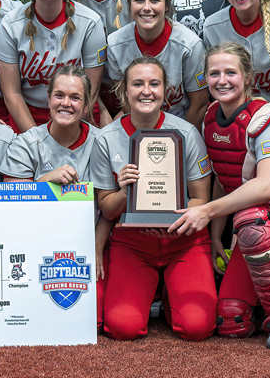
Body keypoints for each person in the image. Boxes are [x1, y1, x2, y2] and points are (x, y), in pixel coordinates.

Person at [171, 43, 270, 349]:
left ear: (248, 77)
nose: (222, 80)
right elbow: (226, 177)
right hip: (247, 228)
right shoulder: (210, 116)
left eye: (231, 72)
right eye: (214, 73)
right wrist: (216, 236)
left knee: (253, 221)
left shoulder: (265, 118)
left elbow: (266, 187)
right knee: (231, 321)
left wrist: (206, 212)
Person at [91, 56, 216, 341]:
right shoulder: (107, 139)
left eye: (154, 84)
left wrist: (176, 222)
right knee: (123, 328)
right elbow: (108, 209)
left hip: (183, 240)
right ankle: (153, 293)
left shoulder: (185, 133)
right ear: (124, 90)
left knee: (197, 327)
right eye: (137, 84)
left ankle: (172, 300)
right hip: (133, 242)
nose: (146, 91)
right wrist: (126, 191)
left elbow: (201, 200)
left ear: (165, 90)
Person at [0, 66, 111, 330]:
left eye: (75, 97)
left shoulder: (103, 141)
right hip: (34, 243)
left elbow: (110, 206)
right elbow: (9, 204)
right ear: (48, 100)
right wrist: (45, 181)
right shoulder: (26, 143)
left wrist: (95, 249)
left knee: (90, 319)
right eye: (59, 95)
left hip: (88, 243)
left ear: (86, 106)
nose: (66, 103)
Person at [0, 0, 108, 133]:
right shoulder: (11, 24)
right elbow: (12, 94)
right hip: (28, 115)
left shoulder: (89, 22)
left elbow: (91, 92)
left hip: (78, 113)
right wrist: (36, 140)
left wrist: (66, 132)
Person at [104, 0, 208, 128]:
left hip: (180, 126)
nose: (146, 7)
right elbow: (126, 103)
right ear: (128, 2)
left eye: (154, 0)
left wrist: (181, 142)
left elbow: (199, 105)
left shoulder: (190, 45)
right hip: (138, 127)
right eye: (139, 0)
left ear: (167, 4)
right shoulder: (115, 43)